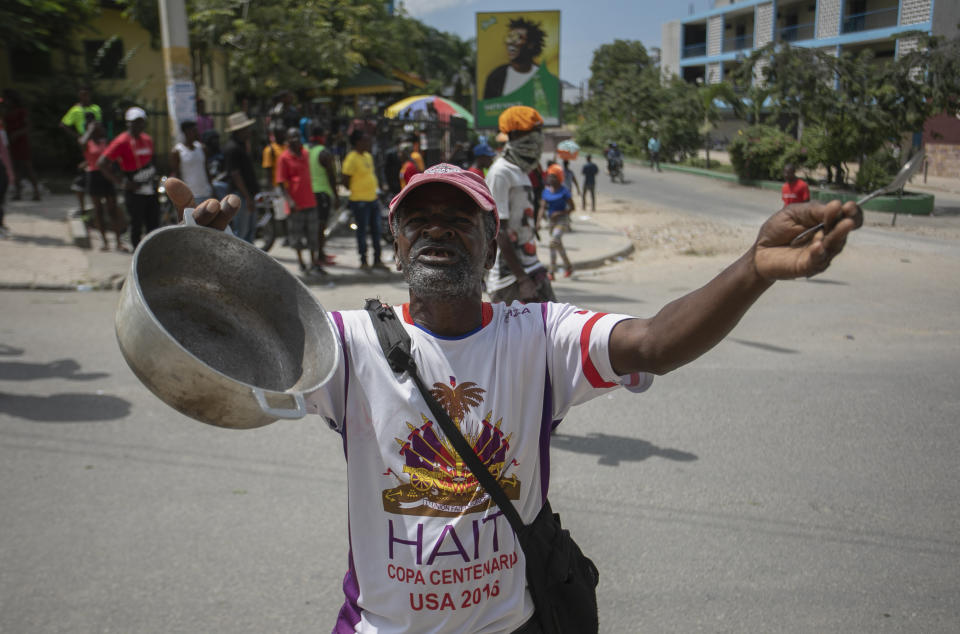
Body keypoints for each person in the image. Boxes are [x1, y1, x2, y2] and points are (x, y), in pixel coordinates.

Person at [162, 154, 862, 632]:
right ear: (397, 247)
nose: (437, 231)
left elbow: (653, 342)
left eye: (458, 219)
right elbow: (225, 375)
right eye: (418, 222)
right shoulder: (346, 343)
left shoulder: (541, 335)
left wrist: (753, 269)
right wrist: (208, 274)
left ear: (491, 245)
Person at [485, 106, 555, 303]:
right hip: (510, 279)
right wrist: (522, 279)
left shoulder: (521, 170)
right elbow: (498, 230)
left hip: (531, 267)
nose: (539, 138)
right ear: (515, 134)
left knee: (552, 330)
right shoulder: (500, 172)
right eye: (534, 132)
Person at [97, 106, 159, 248]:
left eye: (140, 121)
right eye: (134, 122)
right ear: (128, 123)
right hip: (133, 189)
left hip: (150, 187)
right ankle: (136, 255)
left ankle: (153, 253)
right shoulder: (121, 141)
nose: (137, 125)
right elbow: (101, 163)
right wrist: (121, 183)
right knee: (136, 224)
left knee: (154, 223)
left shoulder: (147, 139)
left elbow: (153, 159)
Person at [277, 127, 322, 275]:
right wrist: (289, 201)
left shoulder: (306, 154)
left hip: (310, 201)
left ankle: (313, 262)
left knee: (313, 235)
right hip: (295, 205)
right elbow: (281, 183)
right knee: (296, 236)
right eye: (292, 137)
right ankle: (301, 262)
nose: (295, 139)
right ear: (288, 140)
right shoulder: (284, 158)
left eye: (297, 136)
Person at [341, 130, 387, 271]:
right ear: (357, 142)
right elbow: (345, 180)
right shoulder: (351, 158)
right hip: (359, 201)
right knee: (362, 232)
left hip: (373, 199)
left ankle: (377, 260)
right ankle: (364, 261)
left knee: (376, 231)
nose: (369, 143)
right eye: (366, 140)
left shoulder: (368, 156)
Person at [80, 119, 124, 251]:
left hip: (108, 176)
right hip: (94, 176)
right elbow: (81, 143)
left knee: (113, 210)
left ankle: (118, 241)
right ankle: (104, 242)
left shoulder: (107, 141)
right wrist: (89, 130)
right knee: (98, 210)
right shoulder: (87, 142)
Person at [60, 85, 102, 215]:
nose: (85, 96)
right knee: (81, 180)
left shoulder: (95, 108)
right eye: (82, 94)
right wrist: (78, 136)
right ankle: (84, 208)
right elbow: (63, 125)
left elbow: (99, 125)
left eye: (87, 94)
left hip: (95, 145)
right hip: (84, 146)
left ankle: (96, 208)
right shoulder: (75, 110)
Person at [483, 18, 546, 99]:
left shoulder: (543, 77)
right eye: (509, 37)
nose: (511, 42)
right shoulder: (495, 77)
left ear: (531, 44)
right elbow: (486, 108)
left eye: (518, 38)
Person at [221, 112, 259, 242]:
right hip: (242, 195)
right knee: (241, 233)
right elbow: (235, 174)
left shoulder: (242, 146)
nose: (249, 131)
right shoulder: (232, 148)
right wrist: (248, 198)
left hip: (248, 193)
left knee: (249, 231)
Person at [2, 89, 41, 201]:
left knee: (28, 167)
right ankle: (18, 193)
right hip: (11, 142)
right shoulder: (6, 112)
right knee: (15, 168)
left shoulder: (21, 111)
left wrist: (17, 133)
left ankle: (36, 192)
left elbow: (28, 127)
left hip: (21, 142)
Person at [308, 125, 338, 267]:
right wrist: (336, 195)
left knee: (314, 225)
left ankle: (319, 253)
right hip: (322, 193)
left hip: (310, 193)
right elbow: (331, 176)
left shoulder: (306, 150)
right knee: (321, 225)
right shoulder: (324, 152)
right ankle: (320, 255)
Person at [540, 167, 575, 280]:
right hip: (551, 222)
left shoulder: (564, 191)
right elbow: (542, 207)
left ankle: (551, 272)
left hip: (562, 220)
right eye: (549, 175)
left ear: (559, 178)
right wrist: (537, 222)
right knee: (558, 245)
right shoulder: (546, 191)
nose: (550, 178)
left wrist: (560, 212)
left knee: (553, 242)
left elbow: (572, 207)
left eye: (553, 176)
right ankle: (568, 267)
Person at [169, 120, 214, 207]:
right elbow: (177, 174)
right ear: (186, 132)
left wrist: (212, 188)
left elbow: (206, 169)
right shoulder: (177, 151)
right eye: (193, 130)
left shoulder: (202, 148)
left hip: (205, 192)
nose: (196, 133)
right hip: (190, 195)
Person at [0, 113, 13, 237]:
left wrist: (9, 171)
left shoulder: (2, 132)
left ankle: (1, 223)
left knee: (1, 196)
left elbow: (5, 152)